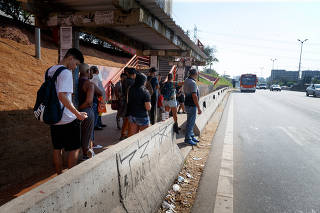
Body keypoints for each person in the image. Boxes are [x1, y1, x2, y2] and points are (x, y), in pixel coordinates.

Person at [48, 48, 87, 175]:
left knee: (57, 148)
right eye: (76, 63)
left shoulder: (50, 70)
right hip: (68, 118)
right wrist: (78, 114)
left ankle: (59, 176)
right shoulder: (65, 73)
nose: (75, 67)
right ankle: (70, 179)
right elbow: (62, 96)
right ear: (70, 58)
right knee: (74, 148)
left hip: (54, 116)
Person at [78, 63, 102, 159]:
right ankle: (86, 154)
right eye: (90, 71)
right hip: (86, 111)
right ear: (88, 71)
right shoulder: (89, 84)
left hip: (74, 111)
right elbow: (89, 101)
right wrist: (79, 109)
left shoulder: (75, 81)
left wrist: (75, 110)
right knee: (87, 134)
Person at [184, 68, 202, 145]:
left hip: (187, 103)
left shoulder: (186, 80)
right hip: (192, 105)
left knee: (191, 121)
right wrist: (198, 108)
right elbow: (194, 96)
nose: (197, 75)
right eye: (197, 74)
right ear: (195, 74)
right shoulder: (192, 83)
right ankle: (188, 139)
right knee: (190, 123)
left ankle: (191, 136)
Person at [120, 67, 136, 140]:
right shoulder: (132, 82)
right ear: (133, 74)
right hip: (131, 103)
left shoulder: (125, 81)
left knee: (126, 119)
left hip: (125, 102)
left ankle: (123, 134)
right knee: (130, 120)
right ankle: (127, 134)